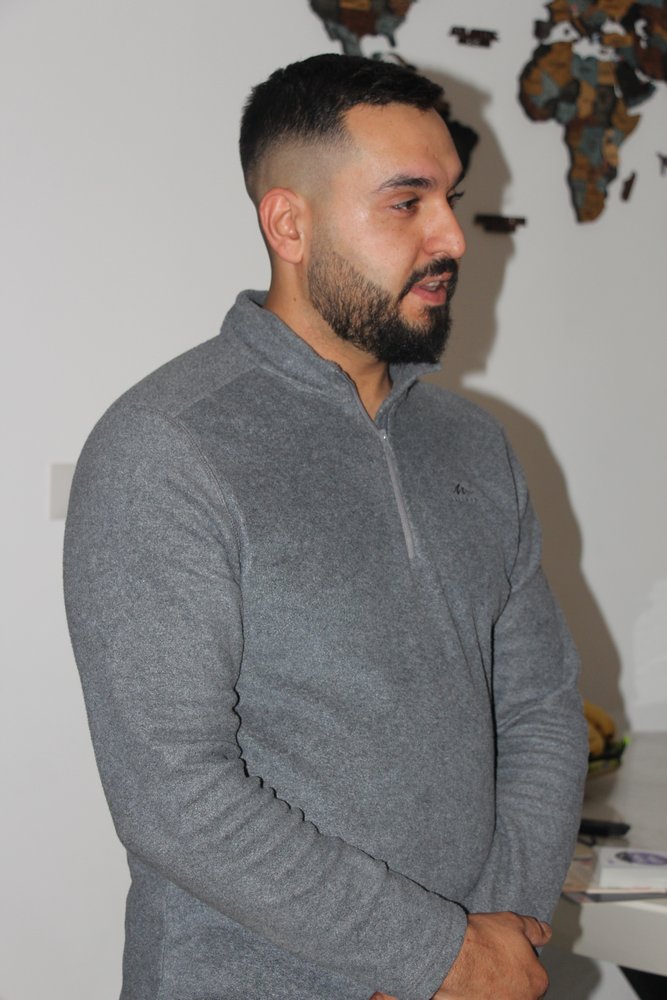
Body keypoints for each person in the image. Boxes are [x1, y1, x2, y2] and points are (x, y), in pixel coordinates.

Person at [64, 53, 588, 1000]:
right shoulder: (167, 446)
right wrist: (431, 955)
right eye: (405, 202)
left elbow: (539, 709)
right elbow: (172, 792)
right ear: (289, 224)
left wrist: (487, 944)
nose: (450, 236)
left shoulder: (474, 445)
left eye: (450, 199)